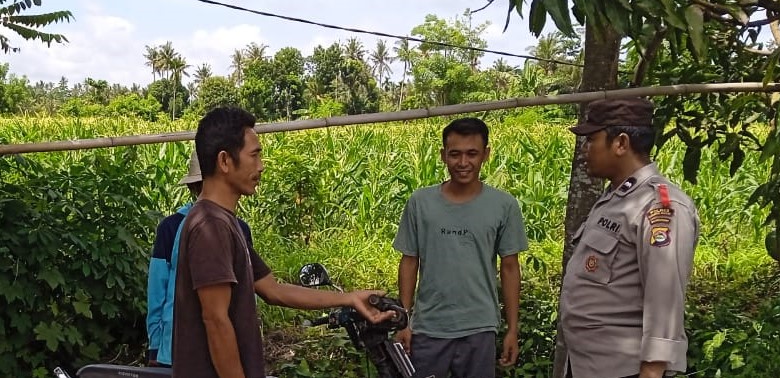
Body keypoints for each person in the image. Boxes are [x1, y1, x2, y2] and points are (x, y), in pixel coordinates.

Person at [172, 107, 392, 378]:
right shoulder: (211, 226)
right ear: (225, 161)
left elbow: (273, 289)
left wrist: (348, 298)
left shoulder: (224, 222)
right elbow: (216, 320)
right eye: (254, 155)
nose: (260, 165)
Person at [558, 98, 700, 378]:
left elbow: (665, 296)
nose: (585, 150)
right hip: (590, 364)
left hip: (625, 370)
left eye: (592, 139)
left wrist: (652, 371)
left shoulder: (659, 206)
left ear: (621, 143)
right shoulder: (615, 198)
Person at [393, 117, 529, 378]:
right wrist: (404, 320)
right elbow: (409, 261)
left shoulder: (504, 206)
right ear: (443, 155)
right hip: (428, 327)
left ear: (486, 155)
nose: (463, 163)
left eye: (472, 154)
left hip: (479, 327)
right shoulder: (420, 203)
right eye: (455, 154)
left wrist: (512, 329)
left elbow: (510, 268)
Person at [146, 149, 255, 367]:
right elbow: (157, 290)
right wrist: (155, 347)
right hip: (179, 347)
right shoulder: (171, 227)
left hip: (209, 345)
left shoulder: (239, 229)